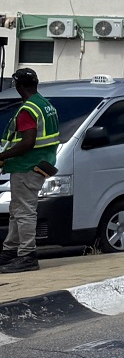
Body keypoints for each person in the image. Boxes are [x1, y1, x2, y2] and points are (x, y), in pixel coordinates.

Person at [2, 68, 61, 273]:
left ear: (17, 86)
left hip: (26, 165)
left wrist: (2, 156)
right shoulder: (45, 105)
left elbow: (27, 143)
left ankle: (27, 255)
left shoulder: (28, 109)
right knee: (17, 211)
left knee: (24, 212)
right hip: (40, 163)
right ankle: (10, 250)